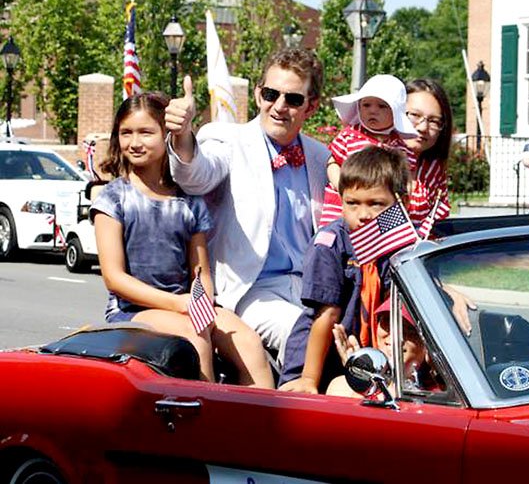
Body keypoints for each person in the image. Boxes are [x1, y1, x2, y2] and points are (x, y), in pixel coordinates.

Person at [92, 92, 273, 387]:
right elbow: (114, 278)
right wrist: (178, 304)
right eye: (126, 133)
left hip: (186, 303)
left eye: (146, 132)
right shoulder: (113, 199)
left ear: (167, 135)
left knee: (250, 344)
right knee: (194, 340)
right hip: (132, 311)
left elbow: (200, 270)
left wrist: (202, 301)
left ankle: (261, 427)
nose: (135, 142)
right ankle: (205, 424)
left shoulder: (189, 201)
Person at [165, 48, 329, 366]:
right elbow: (195, 175)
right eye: (271, 94)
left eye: (293, 99)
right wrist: (182, 135)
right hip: (251, 290)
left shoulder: (321, 157)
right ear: (257, 94)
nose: (279, 106)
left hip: (309, 292)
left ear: (312, 106)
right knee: (303, 335)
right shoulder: (227, 139)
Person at [279, 147, 410, 393]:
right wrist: (309, 378)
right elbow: (325, 315)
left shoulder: (400, 244)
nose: (363, 215)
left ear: (400, 202)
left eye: (376, 204)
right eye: (352, 203)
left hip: (371, 360)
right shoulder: (330, 243)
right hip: (319, 359)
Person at [318, 74, 418, 228]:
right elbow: (332, 163)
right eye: (366, 105)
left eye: (382, 106)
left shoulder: (400, 147)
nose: (373, 111)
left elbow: (408, 177)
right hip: (342, 207)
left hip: (381, 213)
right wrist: (342, 187)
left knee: (377, 247)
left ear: (395, 112)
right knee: (333, 242)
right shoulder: (349, 136)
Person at [326, 298, 440, 398]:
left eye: (408, 329)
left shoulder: (438, 394)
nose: (395, 337)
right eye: (387, 322)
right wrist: (361, 380)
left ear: (427, 343)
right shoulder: (341, 387)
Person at [404, 78, 453, 228]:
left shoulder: (434, 171)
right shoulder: (374, 161)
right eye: (414, 115)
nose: (423, 127)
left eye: (434, 121)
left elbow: (439, 224)